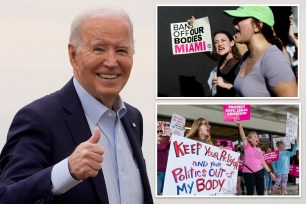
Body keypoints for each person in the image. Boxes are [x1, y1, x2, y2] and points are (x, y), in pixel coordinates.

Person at [0, 7, 153, 204]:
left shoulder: (133, 118)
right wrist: (67, 171)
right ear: (73, 55)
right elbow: (6, 197)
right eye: (99, 48)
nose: (112, 61)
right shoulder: (39, 118)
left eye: (121, 50)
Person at [223, 6, 297, 97]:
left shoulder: (273, 59)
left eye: (240, 18)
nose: (234, 22)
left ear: (258, 26)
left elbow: (291, 107)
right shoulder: (246, 56)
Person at [234, 119, 275, 195]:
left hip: (259, 172)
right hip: (249, 173)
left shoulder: (259, 149)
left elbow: (263, 162)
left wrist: (270, 172)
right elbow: (243, 136)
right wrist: (240, 125)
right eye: (255, 136)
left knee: (261, 193)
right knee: (250, 193)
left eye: (257, 137)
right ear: (250, 139)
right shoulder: (247, 146)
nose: (257, 138)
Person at [157, 129, 170, 195]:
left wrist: (181, 131)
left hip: (166, 173)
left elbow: (175, 142)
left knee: (164, 194)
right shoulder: (154, 145)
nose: (160, 133)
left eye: (161, 132)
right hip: (158, 173)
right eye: (157, 132)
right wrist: (168, 136)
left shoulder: (163, 145)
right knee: (157, 193)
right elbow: (163, 147)